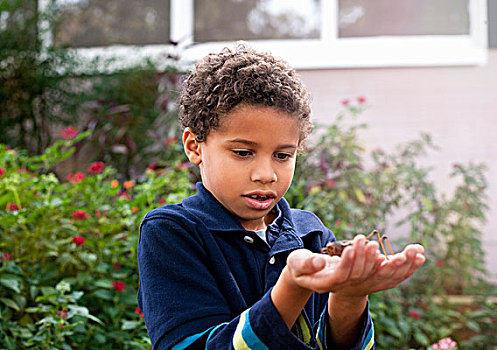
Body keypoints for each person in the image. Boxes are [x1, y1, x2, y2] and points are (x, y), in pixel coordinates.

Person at [137, 42, 426, 350]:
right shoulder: (173, 232)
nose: (266, 174)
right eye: (243, 152)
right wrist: (291, 287)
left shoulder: (311, 234)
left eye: (283, 155)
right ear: (195, 147)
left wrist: (351, 296)